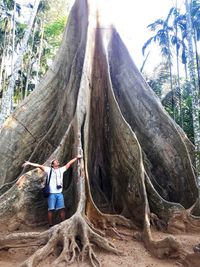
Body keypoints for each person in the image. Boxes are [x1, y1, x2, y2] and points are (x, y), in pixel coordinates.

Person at [22, 156, 81, 227]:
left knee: (62, 209)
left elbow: (68, 164)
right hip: (51, 194)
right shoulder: (49, 170)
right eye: (55, 161)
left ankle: (64, 223)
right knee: (51, 210)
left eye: (57, 161)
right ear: (52, 164)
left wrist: (76, 158)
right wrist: (29, 163)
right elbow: (39, 166)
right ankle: (50, 224)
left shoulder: (61, 170)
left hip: (59, 194)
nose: (57, 161)